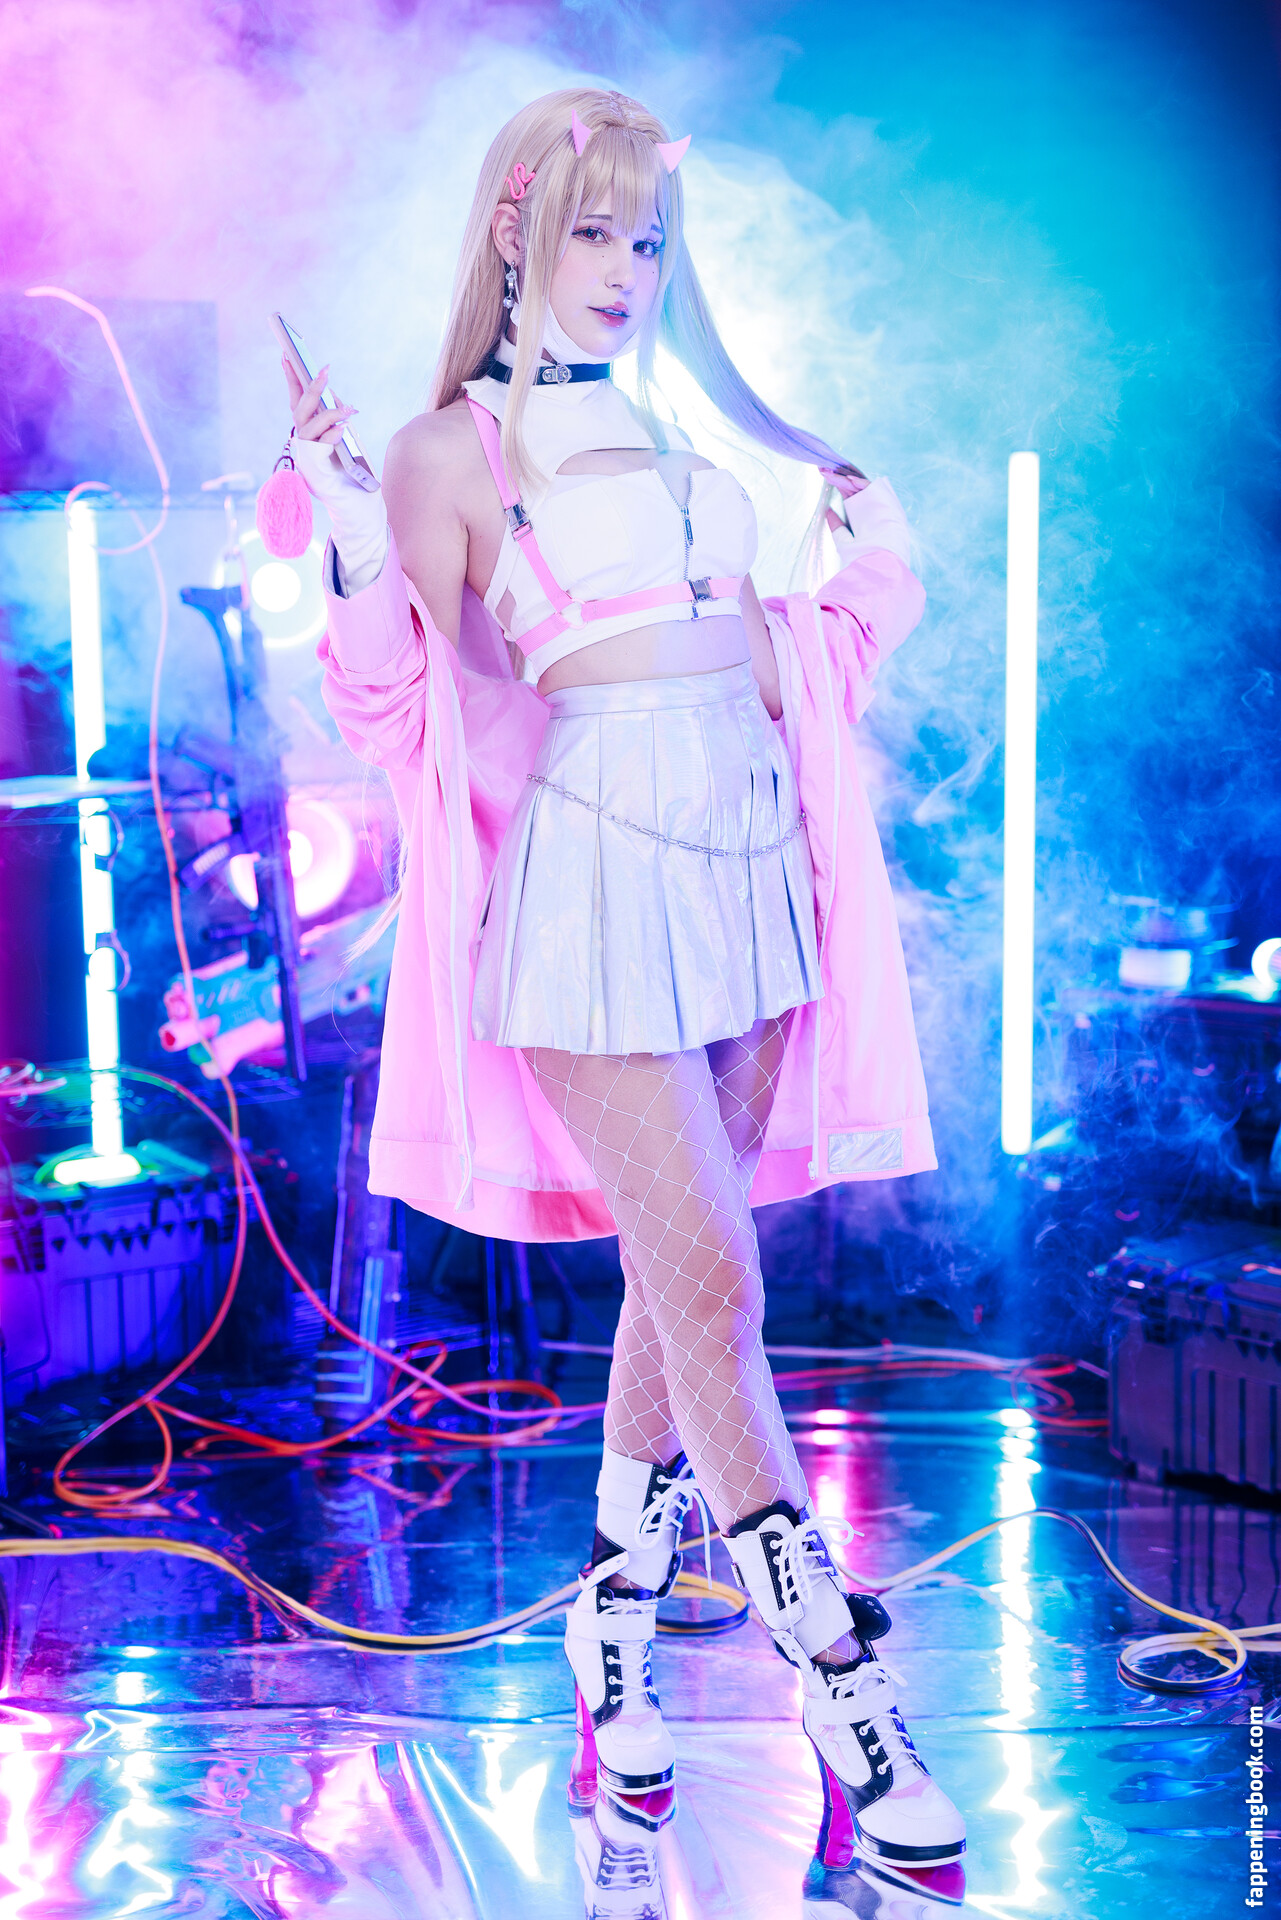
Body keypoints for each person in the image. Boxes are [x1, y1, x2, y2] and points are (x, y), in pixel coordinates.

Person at [287, 85, 963, 1871]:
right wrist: (349, 538)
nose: (623, 268)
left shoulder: (673, 443)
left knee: (682, 1282)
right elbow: (398, 705)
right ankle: (838, 1685)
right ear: (515, 232)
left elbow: (766, 660)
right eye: (591, 230)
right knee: (717, 1277)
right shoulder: (446, 453)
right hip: (586, 886)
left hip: (746, 868)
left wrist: (872, 561)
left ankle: (611, 1630)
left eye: (647, 239)